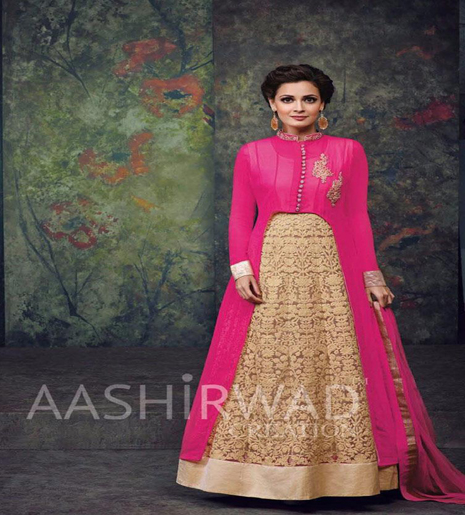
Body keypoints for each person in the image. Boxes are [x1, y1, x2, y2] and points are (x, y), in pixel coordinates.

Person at [176, 64, 465, 503]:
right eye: (288, 99)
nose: (298, 107)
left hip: (331, 268)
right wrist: (241, 269)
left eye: (308, 99)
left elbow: (356, 216)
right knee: (264, 359)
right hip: (269, 266)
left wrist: (372, 275)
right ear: (272, 104)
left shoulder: (348, 151)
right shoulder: (252, 153)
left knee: (332, 355)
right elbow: (239, 215)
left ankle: (340, 472)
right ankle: (251, 472)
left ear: (323, 104)